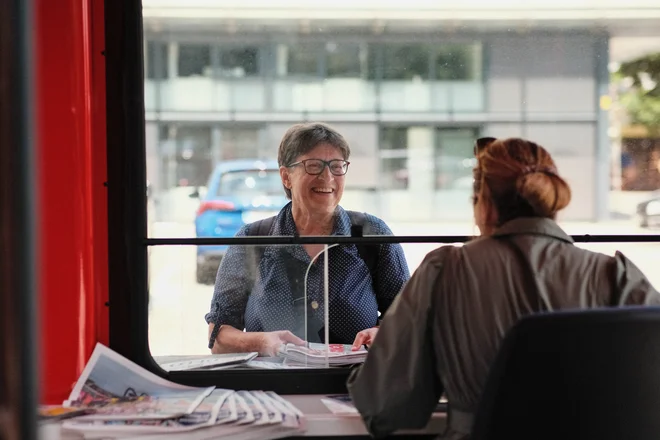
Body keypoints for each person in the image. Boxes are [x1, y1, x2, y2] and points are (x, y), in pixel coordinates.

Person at [346, 137, 660, 440]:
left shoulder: (446, 270)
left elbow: (386, 407)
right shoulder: (616, 276)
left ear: (485, 204)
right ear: (549, 201)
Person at [205, 122, 410, 357]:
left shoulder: (372, 235)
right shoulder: (252, 240)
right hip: (272, 384)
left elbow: (409, 320)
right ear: (286, 177)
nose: (327, 177)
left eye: (337, 166)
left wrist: (383, 333)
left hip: (353, 385)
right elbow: (218, 338)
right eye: (313, 166)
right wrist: (262, 342)